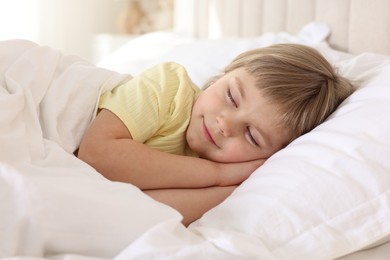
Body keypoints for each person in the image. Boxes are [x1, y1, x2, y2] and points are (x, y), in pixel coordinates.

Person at [77, 43, 354, 226]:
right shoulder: (170, 88)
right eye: (232, 96)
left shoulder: (230, 187)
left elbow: (135, 213)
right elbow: (97, 154)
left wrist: (229, 188)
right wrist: (216, 175)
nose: (225, 124)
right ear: (226, 73)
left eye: (252, 136)